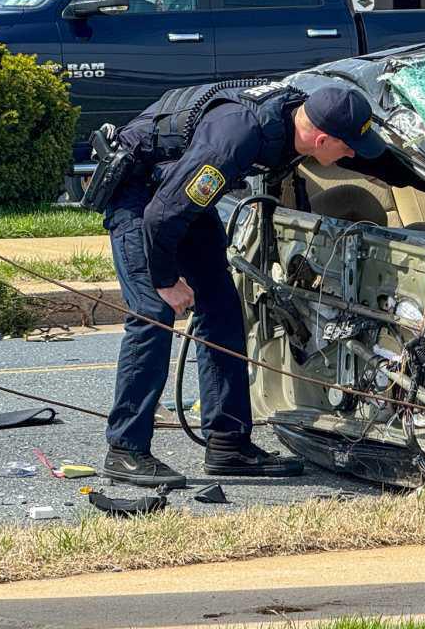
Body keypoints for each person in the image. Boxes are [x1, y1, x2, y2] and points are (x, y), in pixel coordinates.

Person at [99, 79, 385, 488]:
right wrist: (166, 281)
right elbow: (160, 218)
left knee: (222, 307)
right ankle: (125, 450)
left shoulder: (301, 114)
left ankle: (228, 444)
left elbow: (183, 202)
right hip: (140, 196)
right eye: (346, 149)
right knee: (153, 314)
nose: (351, 155)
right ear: (321, 140)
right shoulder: (235, 139)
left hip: (177, 195)